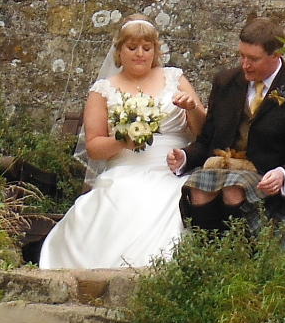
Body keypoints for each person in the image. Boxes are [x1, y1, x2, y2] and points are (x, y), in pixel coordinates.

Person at [39, 14, 206, 269]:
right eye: (132, 48)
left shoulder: (175, 79)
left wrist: (192, 108)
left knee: (178, 198)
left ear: (155, 51)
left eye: (146, 48)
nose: (140, 54)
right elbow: (94, 148)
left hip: (175, 170)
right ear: (119, 51)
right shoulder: (103, 90)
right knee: (122, 197)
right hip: (126, 170)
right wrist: (123, 141)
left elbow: (204, 132)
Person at [167, 16, 285, 248]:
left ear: (275, 56)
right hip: (223, 168)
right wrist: (185, 156)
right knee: (199, 185)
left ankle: (244, 257)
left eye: (253, 59)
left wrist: (281, 174)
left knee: (233, 186)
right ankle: (209, 253)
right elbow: (208, 139)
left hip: (264, 179)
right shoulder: (226, 82)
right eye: (242, 56)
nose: (244, 64)